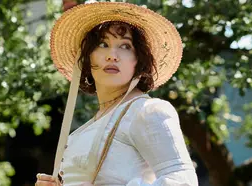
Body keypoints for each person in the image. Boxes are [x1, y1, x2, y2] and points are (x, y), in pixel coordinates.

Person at [35, 2, 197, 186]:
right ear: (88, 57)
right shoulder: (81, 132)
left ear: (139, 60)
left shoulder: (148, 112)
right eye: (103, 44)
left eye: (125, 46)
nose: (112, 55)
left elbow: (183, 181)